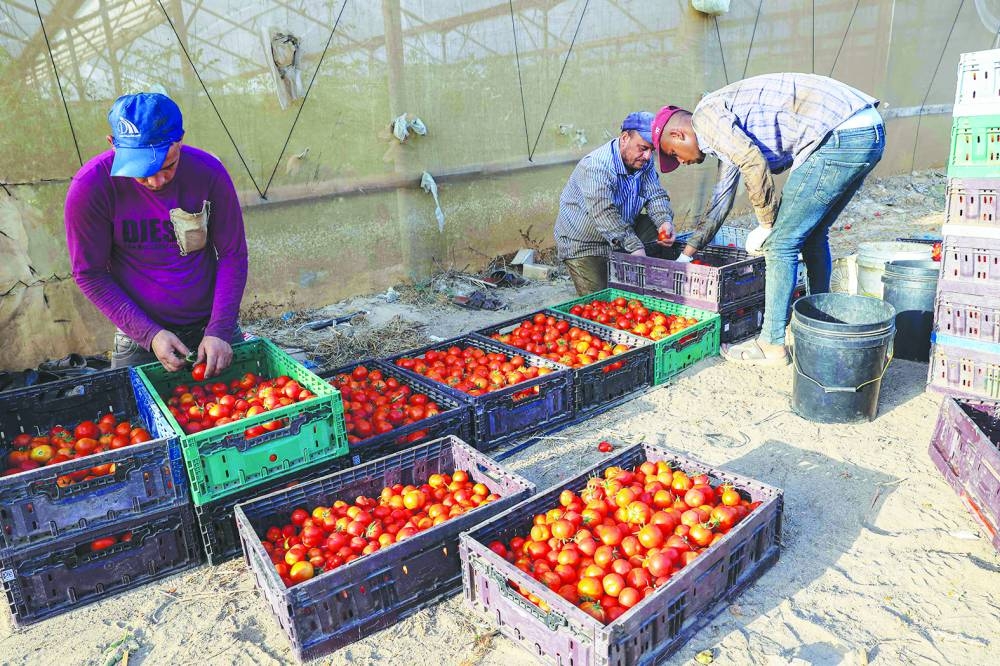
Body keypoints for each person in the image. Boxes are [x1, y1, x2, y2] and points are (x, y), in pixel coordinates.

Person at [652, 73, 884, 365]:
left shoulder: (705, 117)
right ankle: (819, 323)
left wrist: (766, 224)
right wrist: (686, 256)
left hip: (838, 134)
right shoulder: (723, 128)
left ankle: (771, 344)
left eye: (676, 154)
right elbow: (721, 200)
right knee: (812, 233)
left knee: (780, 243)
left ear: (678, 135)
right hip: (868, 129)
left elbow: (752, 162)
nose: (683, 162)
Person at [65, 93, 248, 378]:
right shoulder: (91, 187)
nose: (156, 181)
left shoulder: (208, 173)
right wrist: (149, 334)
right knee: (137, 416)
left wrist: (221, 328)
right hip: (138, 333)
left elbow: (232, 254)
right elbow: (90, 273)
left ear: (180, 141)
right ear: (114, 145)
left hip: (211, 324)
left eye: (168, 166)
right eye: (142, 172)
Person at [555, 111, 676, 295]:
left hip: (623, 229)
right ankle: (633, 266)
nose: (647, 156)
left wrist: (664, 221)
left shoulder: (644, 162)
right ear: (625, 138)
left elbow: (655, 195)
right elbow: (605, 214)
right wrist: (635, 247)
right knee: (600, 303)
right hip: (585, 244)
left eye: (652, 150)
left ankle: (647, 279)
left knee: (656, 227)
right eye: (643, 148)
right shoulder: (596, 166)